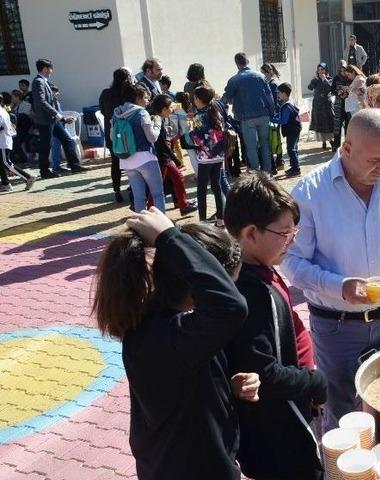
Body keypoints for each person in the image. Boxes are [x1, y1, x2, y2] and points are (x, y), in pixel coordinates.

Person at [283, 109, 380, 432]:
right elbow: (290, 262)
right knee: (344, 413)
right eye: (374, 160)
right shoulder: (310, 192)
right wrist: (339, 286)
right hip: (337, 327)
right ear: (346, 149)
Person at [92, 208, 257, 480]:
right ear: (200, 285)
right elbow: (231, 307)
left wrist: (228, 386)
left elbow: (184, 385)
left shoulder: (168, 325)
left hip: (176, 462)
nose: (233, 291)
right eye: (229, 284)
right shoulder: (167, 337)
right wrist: (168, 237)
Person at [222, 173, 327, 480]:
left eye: (294, 231)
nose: (292, 241)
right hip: (278, 433)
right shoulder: (249, 291)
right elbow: (262, 373)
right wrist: (314, 383)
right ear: (251, 233)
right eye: (284, 233)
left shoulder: (261, 267)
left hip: (290, 414)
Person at [113, 82, 165, 213]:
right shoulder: (142, 113)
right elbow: (151, 138)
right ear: (137, 98)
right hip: (145, 158)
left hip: (126, 160)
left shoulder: (117, 113)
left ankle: (140, 228)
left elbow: (112, 137)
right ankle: (162, 227)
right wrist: (157, 124)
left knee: (138, 197)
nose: (148, 101)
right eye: (146, 98)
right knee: (157, 194)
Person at [222, 52, 276, 173]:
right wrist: (272, 113)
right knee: (265, 144)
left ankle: (256, 172)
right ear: (247, 61)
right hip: (263, 115)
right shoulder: (261, 76)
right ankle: (267, 172)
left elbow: (225, 98)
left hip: (246, 118)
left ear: (236, 63)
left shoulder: (235, 80)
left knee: (251, 147)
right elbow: (269, 97)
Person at [31, 58, 84, 178]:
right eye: (50, 68)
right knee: (46, 146)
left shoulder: (43, 81)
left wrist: (61, 118)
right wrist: (58, 114)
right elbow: (41, 102)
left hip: (52, 120)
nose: (51, 71)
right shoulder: (38, 81)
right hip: (45, 121)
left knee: (67, 140)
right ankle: (44, 172)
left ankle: (74, 165)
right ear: (45, 69)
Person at [150, 94, 197, 215]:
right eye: (170, 107)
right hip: (162, 159)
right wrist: (176, 160)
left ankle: (184, 205)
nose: (172, 110)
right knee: (157, 187)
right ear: (164, 109)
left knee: (178, 178)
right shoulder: (157, 121)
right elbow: (163, 145)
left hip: (165, 158)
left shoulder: (159, 119)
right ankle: (148, 209)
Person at [189, 86, 227, 227]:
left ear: (199, 99)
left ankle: (203, 222)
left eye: (194, 98)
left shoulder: (198, 116)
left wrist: (190, 132)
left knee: (202, 189)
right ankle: (220, 219)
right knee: (216, 186)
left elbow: (198, 140)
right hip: (218, 154)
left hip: (205, 157)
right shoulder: (216, 112)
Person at [100, 68, 133, 202]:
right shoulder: (127, 93)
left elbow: (102, 110)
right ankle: (133, 187)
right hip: (127, 133)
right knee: (131, 161)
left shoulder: (106, 93)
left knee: (115, 162)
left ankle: (116, 190)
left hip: (112, 132)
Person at [0, 93, 34, 192]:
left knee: (6, 162)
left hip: (2, 141)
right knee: (1, 163)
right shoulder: (2, 110)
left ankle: (28, 177)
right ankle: (6, 183)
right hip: (4, 140)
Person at [273, 83, 303, 178]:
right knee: (294, 148)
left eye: (279, 93)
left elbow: (283, 120)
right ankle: (294, 166)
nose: (278, 95)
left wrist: (271, 119)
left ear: (284, 93)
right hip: (294, 129)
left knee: (291, 149)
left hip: (292, 130)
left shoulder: (287, 106)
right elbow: (282, 116)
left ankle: (296, 169)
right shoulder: (289, 102)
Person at [307, 63, 335, 149]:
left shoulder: (329, 79)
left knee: (328, 123)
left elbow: (330, 89)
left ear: (326, 70)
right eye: (319, 70)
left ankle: (331, 141)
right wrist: (314, 79)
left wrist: (324, 79)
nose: (320, 72)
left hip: (326, 104)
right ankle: (323, 141)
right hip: (317, 105)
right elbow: (310, 87)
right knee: (320, 124)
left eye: (322, 69)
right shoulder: (316, 79)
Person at [331, 64, 351, 150]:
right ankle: (336, 145)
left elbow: (352, 89)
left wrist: (346, 93)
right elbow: (332, 90)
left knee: (348, 125)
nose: (343, 72)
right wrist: (339, 93)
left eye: (344, 70)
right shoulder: (336, 78)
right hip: (339, 104)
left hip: (348, 104)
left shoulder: (350, 78)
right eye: (341, 70)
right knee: (337, 125)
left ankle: (347, 145)